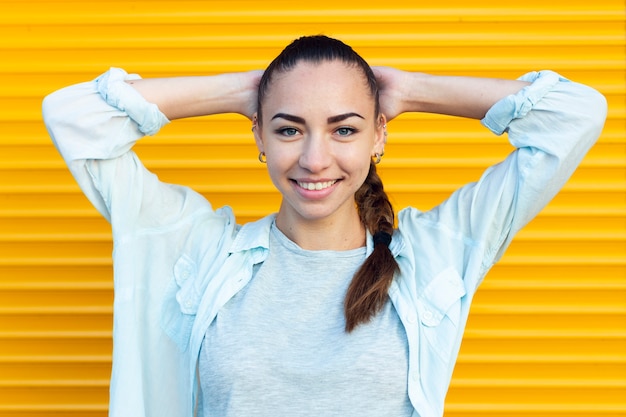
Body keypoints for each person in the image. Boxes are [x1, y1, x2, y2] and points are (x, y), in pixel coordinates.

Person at [42, 35, 607, 417]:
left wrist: (410, 89)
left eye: (344, 130)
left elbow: (576, 115)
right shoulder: (195, 250)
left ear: (379, 136)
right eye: (289, 130)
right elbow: (72, 118)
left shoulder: (435, 253)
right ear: (258, 136)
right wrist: (243, 89)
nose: (315, 159)